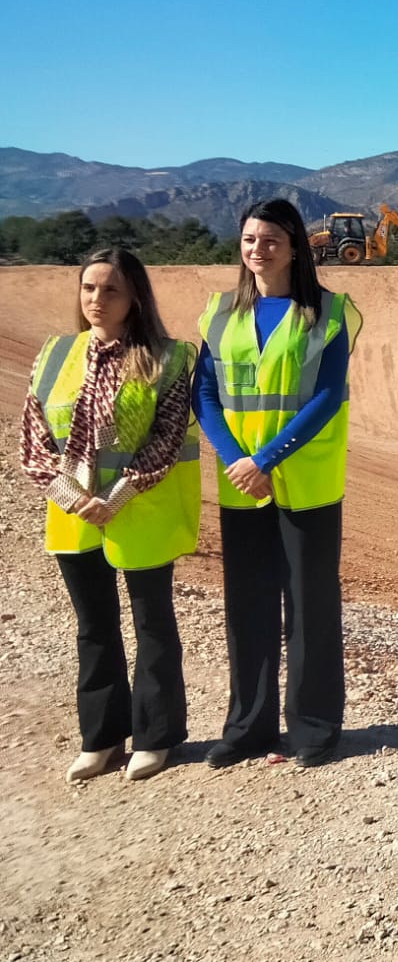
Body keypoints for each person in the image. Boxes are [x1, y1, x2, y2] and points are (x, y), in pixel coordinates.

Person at [20, 249, 201, 783]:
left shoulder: (168, 357)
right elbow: (33, 441)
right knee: (94, 628)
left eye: (111, 290)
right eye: (89, 289)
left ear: (135, 297)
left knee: (153, 625)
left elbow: (167, 439)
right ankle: (100, 738)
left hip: (142, 512)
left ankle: (156, 736)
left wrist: (115, 497)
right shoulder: (54, 354)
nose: (97, 300)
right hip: (73, 514)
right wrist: (75, 498)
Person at [194, 200, 361, 769]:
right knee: (248, 606)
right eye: (248, 240)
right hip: (243, 483)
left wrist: (265, 457)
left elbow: (327, 395)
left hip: (306, 484)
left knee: (311, 609)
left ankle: (313, 729)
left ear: (294, 246)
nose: (257, 250)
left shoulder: (330, 313)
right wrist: (240, 459)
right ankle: (247, 726)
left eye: (270, 239)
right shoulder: (219, 314)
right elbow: (206, 395)